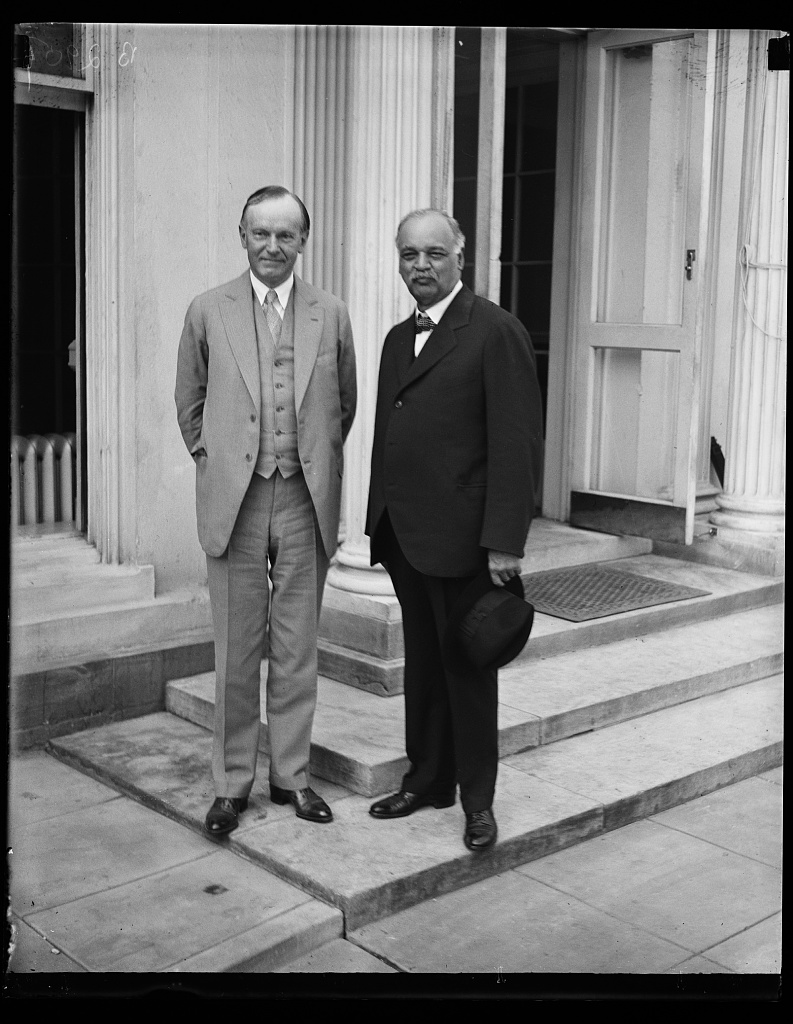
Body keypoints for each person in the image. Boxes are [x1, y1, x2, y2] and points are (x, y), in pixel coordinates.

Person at [175, 186, 357, 836]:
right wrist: (218, 459)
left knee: (296, 645)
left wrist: (306, 459)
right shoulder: (207, 310)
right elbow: (188, 404)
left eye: (286, 235)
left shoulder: (329, 314)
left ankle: (292, 777)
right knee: (236, 650)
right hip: (237, 498)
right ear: (242, 236)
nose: (272, 246)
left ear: (302, 241)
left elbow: (345, 406)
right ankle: (231, 786)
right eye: (261, 233)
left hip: (304, 497)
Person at [365, 208, 543, 852]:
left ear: (460, 257)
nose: (421, 266)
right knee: (424, 669)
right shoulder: (394, 338)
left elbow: (517, 442)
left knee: (468, 671)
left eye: (434, 254)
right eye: (410, 253)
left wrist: (505, 541)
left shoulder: (495, 331)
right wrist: (377, 521)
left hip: (467, 540)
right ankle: (427, 780)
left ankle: (477, 801)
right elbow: (392, 433)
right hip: (407, 538)